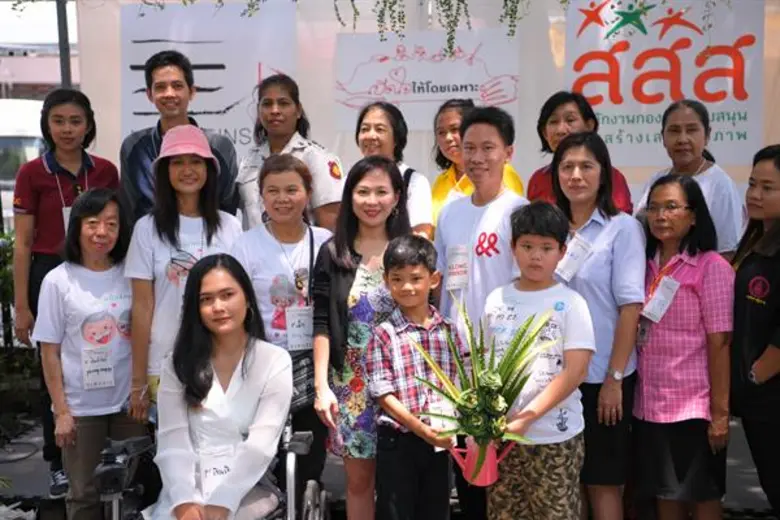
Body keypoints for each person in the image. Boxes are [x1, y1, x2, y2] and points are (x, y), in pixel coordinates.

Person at [12, 88, 119, 498]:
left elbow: (114, 226)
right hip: (47, 271)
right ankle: (58, 463)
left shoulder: (106, 171)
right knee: (52, 369)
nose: (68, 129)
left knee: (100, 352)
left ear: (89, 124)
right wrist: (22, 306)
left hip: (97, 269)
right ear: (47, 125)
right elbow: (22, 243)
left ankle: (106, 449)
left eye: (76, 121)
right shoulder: (32, 173)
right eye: (59, 121)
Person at [145, 254, 292, 520]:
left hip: (248, 486)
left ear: (247, 299)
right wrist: (184, 502)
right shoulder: (176, 365)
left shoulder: (274, 361)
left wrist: (224, 501)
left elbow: (262, 443)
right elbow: (172, 441)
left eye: (227, 295)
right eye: (206, 299)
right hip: (188, 486)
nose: (218, 307)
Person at [433, 106, 528, 519]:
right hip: (458, 362)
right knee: (469, 471)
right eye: (469, 147)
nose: (477, 157)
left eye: (488, 147)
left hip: (507, 361)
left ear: (508, 151)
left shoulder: (520, 212)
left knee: (507, 472)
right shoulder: (451, 210)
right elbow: (438, 281)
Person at [32, 188, 144, 520]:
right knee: (83, 496)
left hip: (129, 406)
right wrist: (61, 412)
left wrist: (142, 393)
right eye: (93, 222)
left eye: (112, 224)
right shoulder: (58, 281)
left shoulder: (132, 274)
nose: (102, 232)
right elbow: (49, 352)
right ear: (77, 227)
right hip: (81, 410)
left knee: (134, 491)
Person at [550, 131, 645, 520]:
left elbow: (630, 308)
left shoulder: (621, 229)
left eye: (586, 166)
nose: (576, 175)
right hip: (555, 380)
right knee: (565, 481)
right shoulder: (549, 229)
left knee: (604, 482)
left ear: (603, 174)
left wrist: (614, 379)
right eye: (567, 166)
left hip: (603, 377)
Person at [312, 156, 412, 520]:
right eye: (363, 191)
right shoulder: (333, 252)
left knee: (402, 486)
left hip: (404, 387)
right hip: (351, 388)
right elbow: (322, 322)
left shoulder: (410, 250)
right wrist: (322, 386)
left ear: (397, 197)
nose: (372, 201)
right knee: (358, 484)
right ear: (349, 197)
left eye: (381, 192)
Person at [483, 201, 595, 520]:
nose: (535, 256)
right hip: (503, 437)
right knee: (506, 512)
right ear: (512, 248)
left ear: (562, 251)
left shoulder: (571, 303)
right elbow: (487, 368)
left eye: (546, 248)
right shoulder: (497, 300)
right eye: (527, 246)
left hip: (554, 436)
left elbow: (576, 371)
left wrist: (527, 417)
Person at [230, 153, 332, 503]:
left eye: (292, 189)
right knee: (263, 461)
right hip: (264, 366)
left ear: (308, 192)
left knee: (308, 462)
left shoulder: (326, 241)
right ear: (261, 195)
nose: (282, 198)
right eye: (272, 191)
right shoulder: (245, 245)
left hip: (314, 364)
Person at [124, 125, 242, 422]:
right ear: (164, 172)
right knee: (172, 459)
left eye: (196, 161)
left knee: (220, 457)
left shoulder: (231, 227)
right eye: (177, 162)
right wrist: (138, 379)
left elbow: (240, 301)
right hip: (164, 364)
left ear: (209, 169)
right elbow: (141, 306)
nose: (187, 170)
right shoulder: (146, 229)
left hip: (222, 363)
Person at [634, 174, 732, 518]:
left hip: (693, 405)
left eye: (672, 207)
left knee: (702, 496)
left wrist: (719, 416)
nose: (661, 216)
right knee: (666, 496)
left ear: (693, 216)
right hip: (648, 404)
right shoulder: (642, 264)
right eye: (654, 208)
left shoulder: (712, 267)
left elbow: (720, 342)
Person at [365, 235, 461, 520]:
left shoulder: (450, 331)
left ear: (434, 279)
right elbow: (383, 394)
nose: (407, 287)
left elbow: (460, 384)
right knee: (396, 511)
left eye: (416, 278)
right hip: (398, 442)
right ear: (386, 281)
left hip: (440, 441)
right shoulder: (384, 333)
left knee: (436, 510)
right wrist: (421, 429)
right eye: (398, 279)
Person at [120, 50, 238, 222]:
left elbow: (227, 206)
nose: (169, 94)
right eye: (160, 87)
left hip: (210, 243)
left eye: (177, 86)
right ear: (149, 95)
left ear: (191, 92)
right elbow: (131, 209)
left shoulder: (219, 146)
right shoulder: (134, 148)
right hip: (152, 243)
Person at [730, 144, 780, 514]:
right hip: (755, 396)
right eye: (752, 184)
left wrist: (758, 373)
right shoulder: (757, 237)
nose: (755, 195)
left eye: (768, 188)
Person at [634, 99, 744, 256]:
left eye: (691, 130)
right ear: (663, 138)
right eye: (674, 131)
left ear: (707, 135)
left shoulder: (720, 184)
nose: (682, 139)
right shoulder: (657, 180)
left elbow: (727, 251)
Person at [236, 74, 344, 231]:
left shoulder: (317, 158)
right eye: (267, 104)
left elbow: (331, 228)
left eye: (283, 103)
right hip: (253, 253)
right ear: (259, 112)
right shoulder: (248, 161)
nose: (274, 110)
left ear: (298, 110)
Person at [527, 91, 632, 214]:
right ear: (544, 133)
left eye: (570, 120)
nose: (561, 130)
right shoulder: (538, 179)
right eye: (553, 122)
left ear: (589, 126)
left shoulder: (612, 177)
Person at [429, 98, 524, 226]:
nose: (448, 138)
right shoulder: (441, 181)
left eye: (455, 129)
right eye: (441, 132)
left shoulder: (503, 173)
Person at [355, 101, 433, 238]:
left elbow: (421, 235)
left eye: (379, 129)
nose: (371, 136)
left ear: (396, 138)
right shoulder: (349, 179)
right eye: (365, 129)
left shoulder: (414, 181)